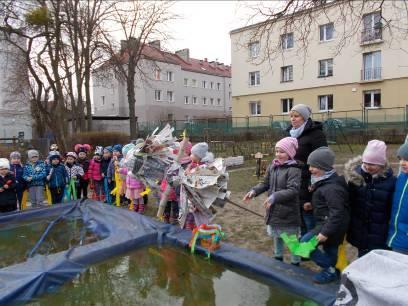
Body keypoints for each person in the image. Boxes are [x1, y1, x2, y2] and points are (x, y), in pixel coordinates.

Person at [243, 137, 301, 265]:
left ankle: (296, 262)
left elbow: (293, 190)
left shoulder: (294, 170)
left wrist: (274, 197)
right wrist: (254, 191)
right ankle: (278, 257)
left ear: (290, 153)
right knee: (277, 235)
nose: (278, 154)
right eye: (277, 151)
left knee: (291, 239)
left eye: (282, 152)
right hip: (274, 210)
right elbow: (265, 183)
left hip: (288, 212)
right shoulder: (272, 167)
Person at [300, 147, 349, 284]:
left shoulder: (332, 188)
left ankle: (330, 269)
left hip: (332, 226)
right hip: (328, 223)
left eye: (314, 166)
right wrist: (312, 205)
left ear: (325, 167)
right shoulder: (324, 181)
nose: (310, 169)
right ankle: (335, 270)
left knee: (305, 243)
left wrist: (326, 232)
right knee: (330, 250)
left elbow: (337, 212)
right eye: (310, 165)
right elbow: (328, 205)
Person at [345, 140, 395, 257]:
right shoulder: (355, 178)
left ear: (382, 164)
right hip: (360, 230)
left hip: (379, 231)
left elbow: (391, 208)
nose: (368, 166)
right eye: (366, 162)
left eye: (373, 164)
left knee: (379, 260)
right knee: (362, 257)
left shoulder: (390, 182)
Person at [287, 104, 327, 235]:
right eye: (291, 116)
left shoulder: (316, 134)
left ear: (304, 117)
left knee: (308, 216)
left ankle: (309, 247)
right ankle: (302, 248)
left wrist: (315, 181)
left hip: (309, 180)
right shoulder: (290, 134)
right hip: (293, 180)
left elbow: (322, 158)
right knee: (298, 216)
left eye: (296, 116)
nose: (293, 119)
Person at [183, 142, 214, 230]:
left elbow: (197, 178)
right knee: (195, 211)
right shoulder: (194, 163)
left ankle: (205, 227)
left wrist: (189, 173)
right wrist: (187, 170)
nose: (191, 155)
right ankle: (199, 226)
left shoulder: (203, 166)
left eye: (193, 154)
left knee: (201, 211)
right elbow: (188, 172)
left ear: (199, 156)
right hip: (193, 194)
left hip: (201, 195)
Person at [387, 141, 408, 254]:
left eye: (406, 160)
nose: (402, 163)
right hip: (398, 237)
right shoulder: (401, 178)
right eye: (400, 159)